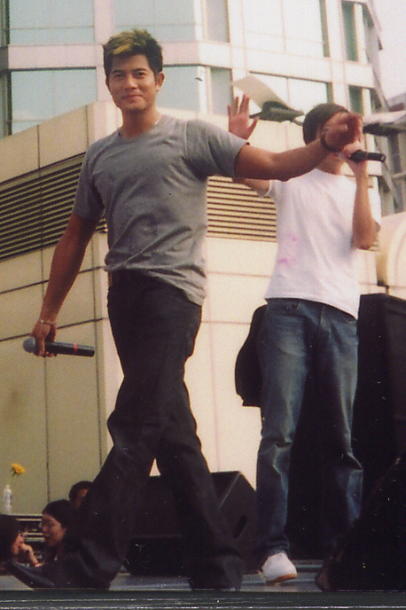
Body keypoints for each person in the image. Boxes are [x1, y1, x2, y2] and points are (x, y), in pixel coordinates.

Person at [9, 29, 361, 591]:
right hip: (124, 298)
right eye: (119, 75)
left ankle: (82, 566)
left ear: (158, 79)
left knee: (133, 426)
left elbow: (275, 163)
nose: (130, 83)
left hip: (173, 297)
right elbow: (75, 235)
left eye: (139, 73)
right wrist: (49, 312)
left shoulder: (191, 136)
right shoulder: (100, 155)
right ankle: (218, 565)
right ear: (108, 84)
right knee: (173, 436)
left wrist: (323, 145)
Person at [228, 101, 381, 585]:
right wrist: (237, 138)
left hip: (341, 315)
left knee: (342, 439)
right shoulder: (292, 175)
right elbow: (244, 173)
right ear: (319, 135)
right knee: (280, 433)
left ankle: (346, 549)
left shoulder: (357, 186)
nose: (348, 139)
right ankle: (272, 548)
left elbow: (364, 239)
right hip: (288, 309)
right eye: (340, 131)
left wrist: (362, 175)